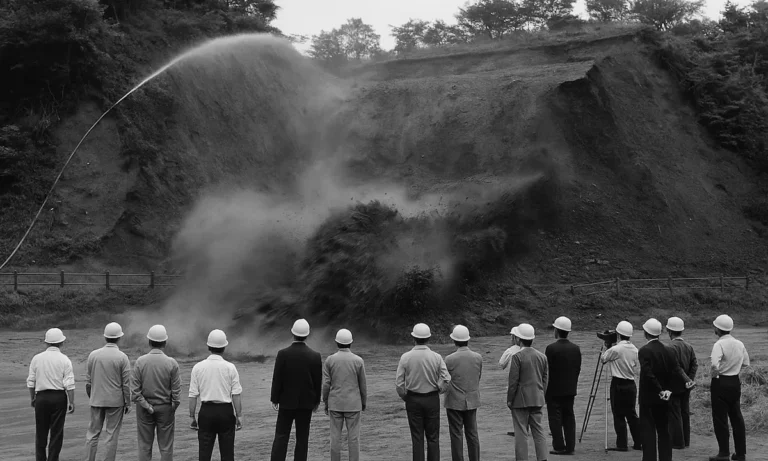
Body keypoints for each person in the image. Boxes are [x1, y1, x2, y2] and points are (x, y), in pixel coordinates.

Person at [638, 318, 694, 461]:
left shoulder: (644, 351)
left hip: (648, 397)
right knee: (664, 430)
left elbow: (648, 374)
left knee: (648, 431)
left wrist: (659, 390)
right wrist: (669, 389)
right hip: (666, 397)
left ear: (646, 333)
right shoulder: (668, 350)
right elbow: (675, 369)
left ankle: (649, 458)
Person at [396, 323, 451, 461]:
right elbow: (446, 378)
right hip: (432, 399)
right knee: (433, 437)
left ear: (413, 338)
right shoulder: (436, 357)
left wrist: (405, 397)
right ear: (428, 338)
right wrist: (439, 389)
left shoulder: (405, 357)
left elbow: (399, 383)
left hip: (413, 399)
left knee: (417, 437)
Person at [270, 319, 323, 461]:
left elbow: (277, 378)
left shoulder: (283, 354)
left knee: (281, 436)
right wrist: (316, 401)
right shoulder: (315, 356)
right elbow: (317, 381)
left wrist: (274, 398)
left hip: (286, 402)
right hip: (306, 403)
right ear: (307, 335)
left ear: (292, 333)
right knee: (302, 438)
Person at [189, 329, 243, 461]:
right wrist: (239, 415)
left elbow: (193, 395)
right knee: (227, 454)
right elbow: (236, 394)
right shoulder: (230, 367)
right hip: (225, 412)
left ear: (208, 347)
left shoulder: (198, 367)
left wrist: (192, 416)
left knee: (204, 454)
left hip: (206, 412)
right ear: (224, 347)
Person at [132, 324, 182, 461]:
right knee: (166, 447)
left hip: (144, 409)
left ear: (149, 342)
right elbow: (176, 392)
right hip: (165, 407)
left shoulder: (140, 362)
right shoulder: (172, 363)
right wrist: (173, 407)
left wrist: (146, 406)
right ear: (165, 343)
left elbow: (135, 391)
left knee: (144, 446)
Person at [85, 322, 132, 461]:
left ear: (105, 337)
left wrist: (92, 396)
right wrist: (128, 402)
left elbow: (88, 382)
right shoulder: (122, 357)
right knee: (111, 436)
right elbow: (126, 384)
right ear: (119, 338)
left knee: (92, 434)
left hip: (96, 399)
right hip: (115, 402)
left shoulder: (93, 355)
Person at [27, 328, 75, 461]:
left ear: (46, 343)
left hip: (41, 398)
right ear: (61, 343)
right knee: (57, 432)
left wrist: (33, 398)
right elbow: (69, 383)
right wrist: (71, 401)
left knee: (41, 432)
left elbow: (31, 382)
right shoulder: (65, 360)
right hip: (59, 398)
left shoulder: (36, 358)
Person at [709, 314, 750, 461]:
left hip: (720, 382)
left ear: (718, 329)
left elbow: (714, 365)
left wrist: (715, 377)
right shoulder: (739, 343)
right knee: (737, 417)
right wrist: (734, 368)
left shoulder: (718, 344)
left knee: (720, 419)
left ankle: (723, 453)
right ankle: (740, 453)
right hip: (735, 382)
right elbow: (746, 363)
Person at [322, 328, 367, 461]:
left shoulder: (330, 360)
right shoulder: (358, 361)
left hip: (335, 404)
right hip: (354, 404)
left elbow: (326, 384)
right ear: (351, 343)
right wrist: (363, 402)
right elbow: (363, 385)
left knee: (335, 438)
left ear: (337, 343)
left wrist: (325, 402)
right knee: (354, 438)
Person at [507, 323, 549, 461]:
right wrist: (541, 394)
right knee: (538, 430)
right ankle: (542, 458)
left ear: (519, 339)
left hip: (520, 400)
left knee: (521, 432)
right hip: (537, 398)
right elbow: (545, 379)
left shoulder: (517, 357)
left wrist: (510, 400)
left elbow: (513, 382)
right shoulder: (542, 356)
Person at [444, 325, 483, 461]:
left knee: (456, 434)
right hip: (472, 399)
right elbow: (478, 377)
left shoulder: (449, 359)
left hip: (454, 401)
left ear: (454, 341)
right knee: (472, 433)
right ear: (468, 340)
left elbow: (445, 380)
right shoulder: (478, 357)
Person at [602, 321, 642, 452]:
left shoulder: (615, 349)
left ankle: (622, 444)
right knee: (631, 414)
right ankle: (639, 442)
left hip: (618, 384)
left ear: (618, 334)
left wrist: (607, 345)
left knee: (618, 414)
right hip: (631, 384)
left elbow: (603, 359)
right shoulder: (635, 350)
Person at [544, 316, 581, 456]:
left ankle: (559, 446)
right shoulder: (576, 349)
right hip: (570, 388)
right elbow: (577, 368)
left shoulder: (551, 348)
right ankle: (570, 446)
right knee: (569, 417)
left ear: (557, 330)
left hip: (554, 389)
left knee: (555, 418)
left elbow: (547, 370)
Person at [665, 317, 698, 450]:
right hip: (686, 387)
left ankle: (678, 442)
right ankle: (686, 440)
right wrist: (689, 380)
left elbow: (675, 367)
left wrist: (687, 380)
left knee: (674, 413)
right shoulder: (689, 346)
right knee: (685, 412)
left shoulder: (669, 347)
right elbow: (694, 364)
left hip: (674, 385)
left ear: (669, 331)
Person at [500, 325, 522, 436]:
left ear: (514, 338)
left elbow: (501, 364)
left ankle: (518, 429)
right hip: (527, 384)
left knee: (514, 406)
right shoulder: (531, 351)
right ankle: (525, 427)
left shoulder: (510, 351)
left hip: (512, 381)